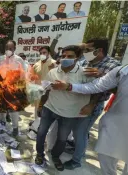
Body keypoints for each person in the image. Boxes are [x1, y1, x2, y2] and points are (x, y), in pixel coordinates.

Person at [51, 65, 128, 175]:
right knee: (106, 156)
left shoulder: (112, 64)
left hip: (105, 115)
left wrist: (92, 104)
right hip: (115, 123)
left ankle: (77, 159)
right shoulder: (122, 71)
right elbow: (96, 86)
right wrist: (69, 86)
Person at [61, 38, 121, 169]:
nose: (85, 52)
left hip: (92, 105)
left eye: (88, 50)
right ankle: (78, 148)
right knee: (78, 131)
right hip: (78, 100)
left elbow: (113, 90)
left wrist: (102, 76)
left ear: (99, 50)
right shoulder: (86, 61)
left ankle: (77, 161)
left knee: (79, 132)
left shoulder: (112, 66)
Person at [35, 45, 94, 171]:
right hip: (49, 108)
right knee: (41, 132)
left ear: (77, 58)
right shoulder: (53, 72)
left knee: (62, 138)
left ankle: (55, 156)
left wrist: (91, 105)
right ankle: (39, 154)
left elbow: (96, 91)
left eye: (70, 56)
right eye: (63, 56)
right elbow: (45, 90)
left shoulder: (85, 73)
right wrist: (40, 105)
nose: (65, 58)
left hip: (70, 113)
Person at [0, 40, 26, 136]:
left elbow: (23, 76)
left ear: (14, 49)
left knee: (14, 111)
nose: (8, 50)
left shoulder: (19, 60)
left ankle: (15, 128)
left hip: (14, 90)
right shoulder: (0, 59)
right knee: (2, 110)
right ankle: (2, 126)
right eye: (6, 48)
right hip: (1, 89)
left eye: (10, 48)